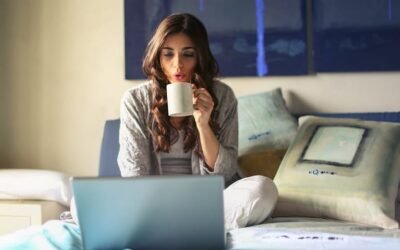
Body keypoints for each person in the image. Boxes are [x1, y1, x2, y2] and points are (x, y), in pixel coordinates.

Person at [117, 12, 277, 231]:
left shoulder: (222, 96)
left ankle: (176, 226)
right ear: (157, 57)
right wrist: (150, 206)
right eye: (168, 54)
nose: (178, 65)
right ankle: (190, 225)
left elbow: (225, 172)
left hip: (209, 204)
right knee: (81, 204)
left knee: (263, 189)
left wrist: (203, 123)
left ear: (199, 56)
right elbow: (134, 173)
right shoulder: (135, 100)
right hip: (153, 204)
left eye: (188, 54)